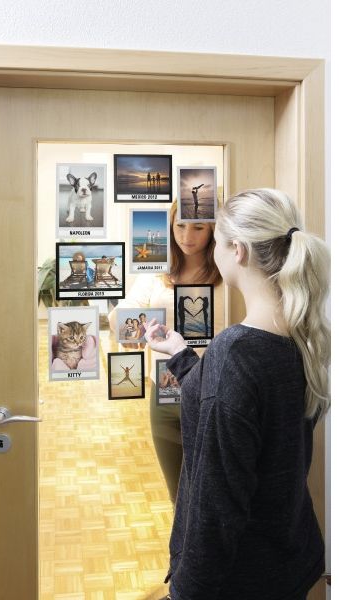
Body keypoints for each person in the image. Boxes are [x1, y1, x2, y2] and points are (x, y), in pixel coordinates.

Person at [144, 188, 329, 600]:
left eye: (217, 241)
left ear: (238, 251)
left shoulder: (236, 352)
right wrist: (181, 355)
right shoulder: (299, 335)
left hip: (241, 580)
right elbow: (235, 407)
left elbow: (216, 507)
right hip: (289, 559)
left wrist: (186, 592)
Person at [107, 201, 221, 503]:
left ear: (214, 230)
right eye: (180, 226)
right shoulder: (156, 272)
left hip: (211, 393)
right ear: (170, 226)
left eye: (199, 227)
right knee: (177, 496)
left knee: (208, 496)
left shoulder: (225, 275)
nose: (187, 236)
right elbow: (122, 314)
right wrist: (126, 327)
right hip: (165, 393)